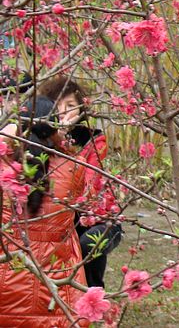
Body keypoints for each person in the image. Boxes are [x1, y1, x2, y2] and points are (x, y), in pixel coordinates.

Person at [0, 84, 89, 327]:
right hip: (56, 287)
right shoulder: (74, 165)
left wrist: (12, 129)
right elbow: (82, 200)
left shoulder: (4, 162)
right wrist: (60, 138)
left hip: (7, 279)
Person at [40, 75, 123, 289]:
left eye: (71, 106)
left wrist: (63, 139)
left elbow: (87, 185)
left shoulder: (94, 140)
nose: (64, 111)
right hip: (60, 218)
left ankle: (94, 297)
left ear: (80, 110)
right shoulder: (38, 140)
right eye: (58, 105)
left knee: (88, 246)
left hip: (97, 219)